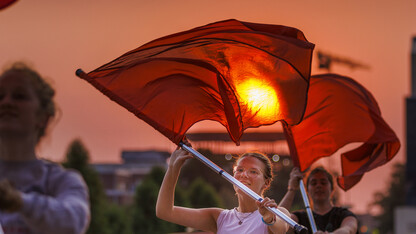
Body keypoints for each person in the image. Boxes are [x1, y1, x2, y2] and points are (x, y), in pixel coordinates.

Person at [0, 62, 90, 234]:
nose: (6, 102)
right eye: (0, 96)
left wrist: (19, 202)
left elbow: (73, 221)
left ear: (43, 117)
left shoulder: (62, 181)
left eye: (19, 96)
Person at [156, 143, 290, 234]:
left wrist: (269, 219)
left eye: (253, 172)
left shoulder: (277, 213)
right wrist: (173, 168)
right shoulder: (219, 217)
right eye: (240, 170)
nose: (243, 175)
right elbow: (165, 211)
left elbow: (280, 228)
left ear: (266, 182)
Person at [279, 167, 358, 234]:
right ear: (307, 190)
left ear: (332, 188)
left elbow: (348, 229)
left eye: (323, 183)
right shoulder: (299, 218)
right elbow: (278, 223)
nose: (318, 186)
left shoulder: (344, 214)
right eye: (313, 183)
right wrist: (292, 189)